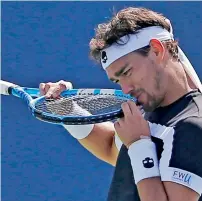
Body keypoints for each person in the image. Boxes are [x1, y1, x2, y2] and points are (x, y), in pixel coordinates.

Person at [39, 7, 202, 201]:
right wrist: (66, 108)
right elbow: (111, 148)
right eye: (117, 81)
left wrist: (139, 145)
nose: (125, 89)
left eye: (127, 72)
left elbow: (135, 148)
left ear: (157, 50)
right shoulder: (144, 114)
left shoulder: (193, 126)